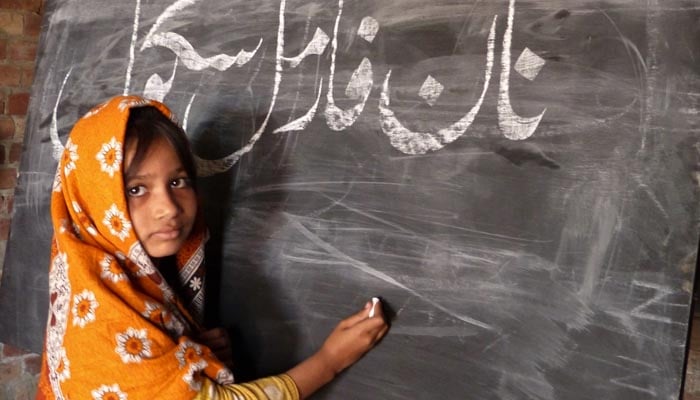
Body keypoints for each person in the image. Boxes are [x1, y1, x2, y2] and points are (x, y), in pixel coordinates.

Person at [36, 95, 388, 399]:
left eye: (178, 181)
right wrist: (329, 361)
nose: (169, 208)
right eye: (135, 189)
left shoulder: (110, 280)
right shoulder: (104, 322)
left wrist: (186, 351)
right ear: (94, 200)